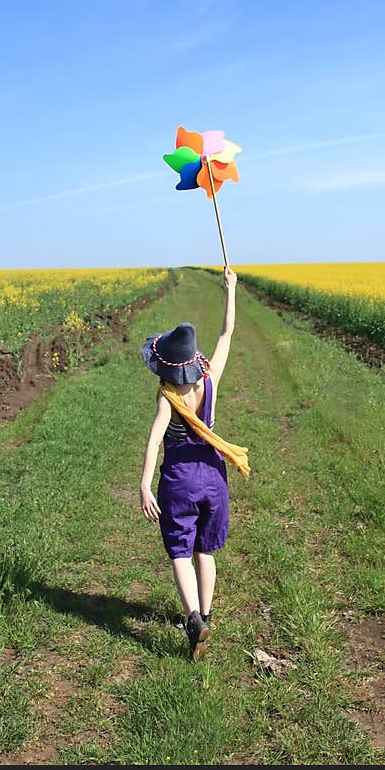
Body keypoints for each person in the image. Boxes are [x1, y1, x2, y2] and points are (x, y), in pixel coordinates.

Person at [139, 266, 238, 660]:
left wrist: (145, 485)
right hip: (213, 476)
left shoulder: (168, 397)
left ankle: (194, 621)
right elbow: (227, 333)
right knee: (205, 550)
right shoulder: (209, 379)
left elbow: (154, 440)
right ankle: (208, 615)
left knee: (180, 550)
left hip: (178, 480)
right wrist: (230, 289)